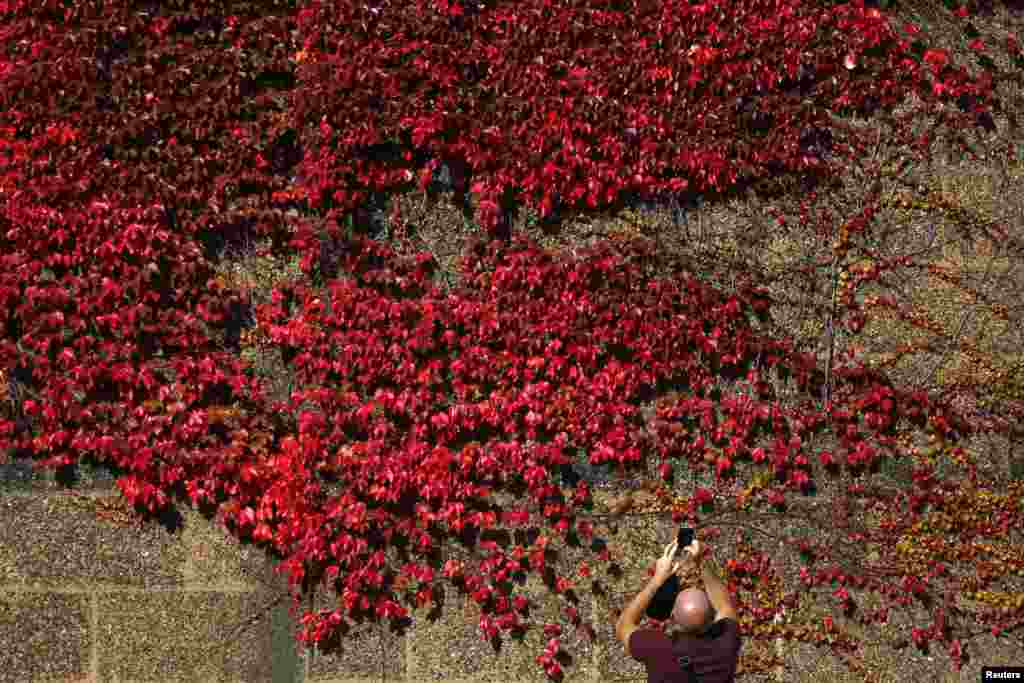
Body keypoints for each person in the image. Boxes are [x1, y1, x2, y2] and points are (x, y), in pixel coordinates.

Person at [616, 538, 742, 682]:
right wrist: (701, 561)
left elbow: (623, 626)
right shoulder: (726, 642)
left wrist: (657, 579)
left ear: (672, 616)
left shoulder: (657, 648)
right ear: (712, 616)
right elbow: (724, 605)